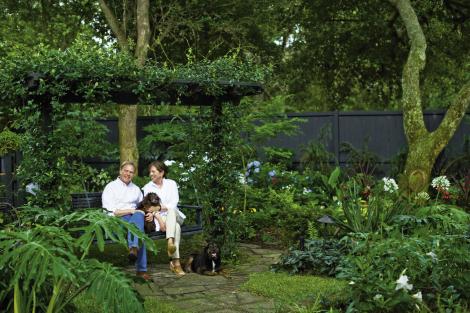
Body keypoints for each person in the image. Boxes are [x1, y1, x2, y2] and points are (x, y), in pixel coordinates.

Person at [102, 161, 153, 281]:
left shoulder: (136, 189)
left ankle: (133, 248)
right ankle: (141, 270)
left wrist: (150, 214)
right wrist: (130, 210)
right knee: (139, 230)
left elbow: (143, 207)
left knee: (139, 217)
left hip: (134, 220)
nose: (128, 174)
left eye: (131, 172)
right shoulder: (110, 187)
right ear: (120, 171)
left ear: (133, 174)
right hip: (116, 222)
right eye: (126, 171)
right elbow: (110, 212)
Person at [142, 160, 186, 277]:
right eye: (150, 172)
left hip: (175, 215)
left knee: (171, 210)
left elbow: (173, 204)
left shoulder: (171, 183)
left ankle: (169, 241)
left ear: (161, 172)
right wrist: (160, 219)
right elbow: (150, 208)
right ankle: (176, 263)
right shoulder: (147, 187)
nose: (151, 174)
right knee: (176, 227)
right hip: (162, 219)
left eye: (153, 171)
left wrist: (159, 207)